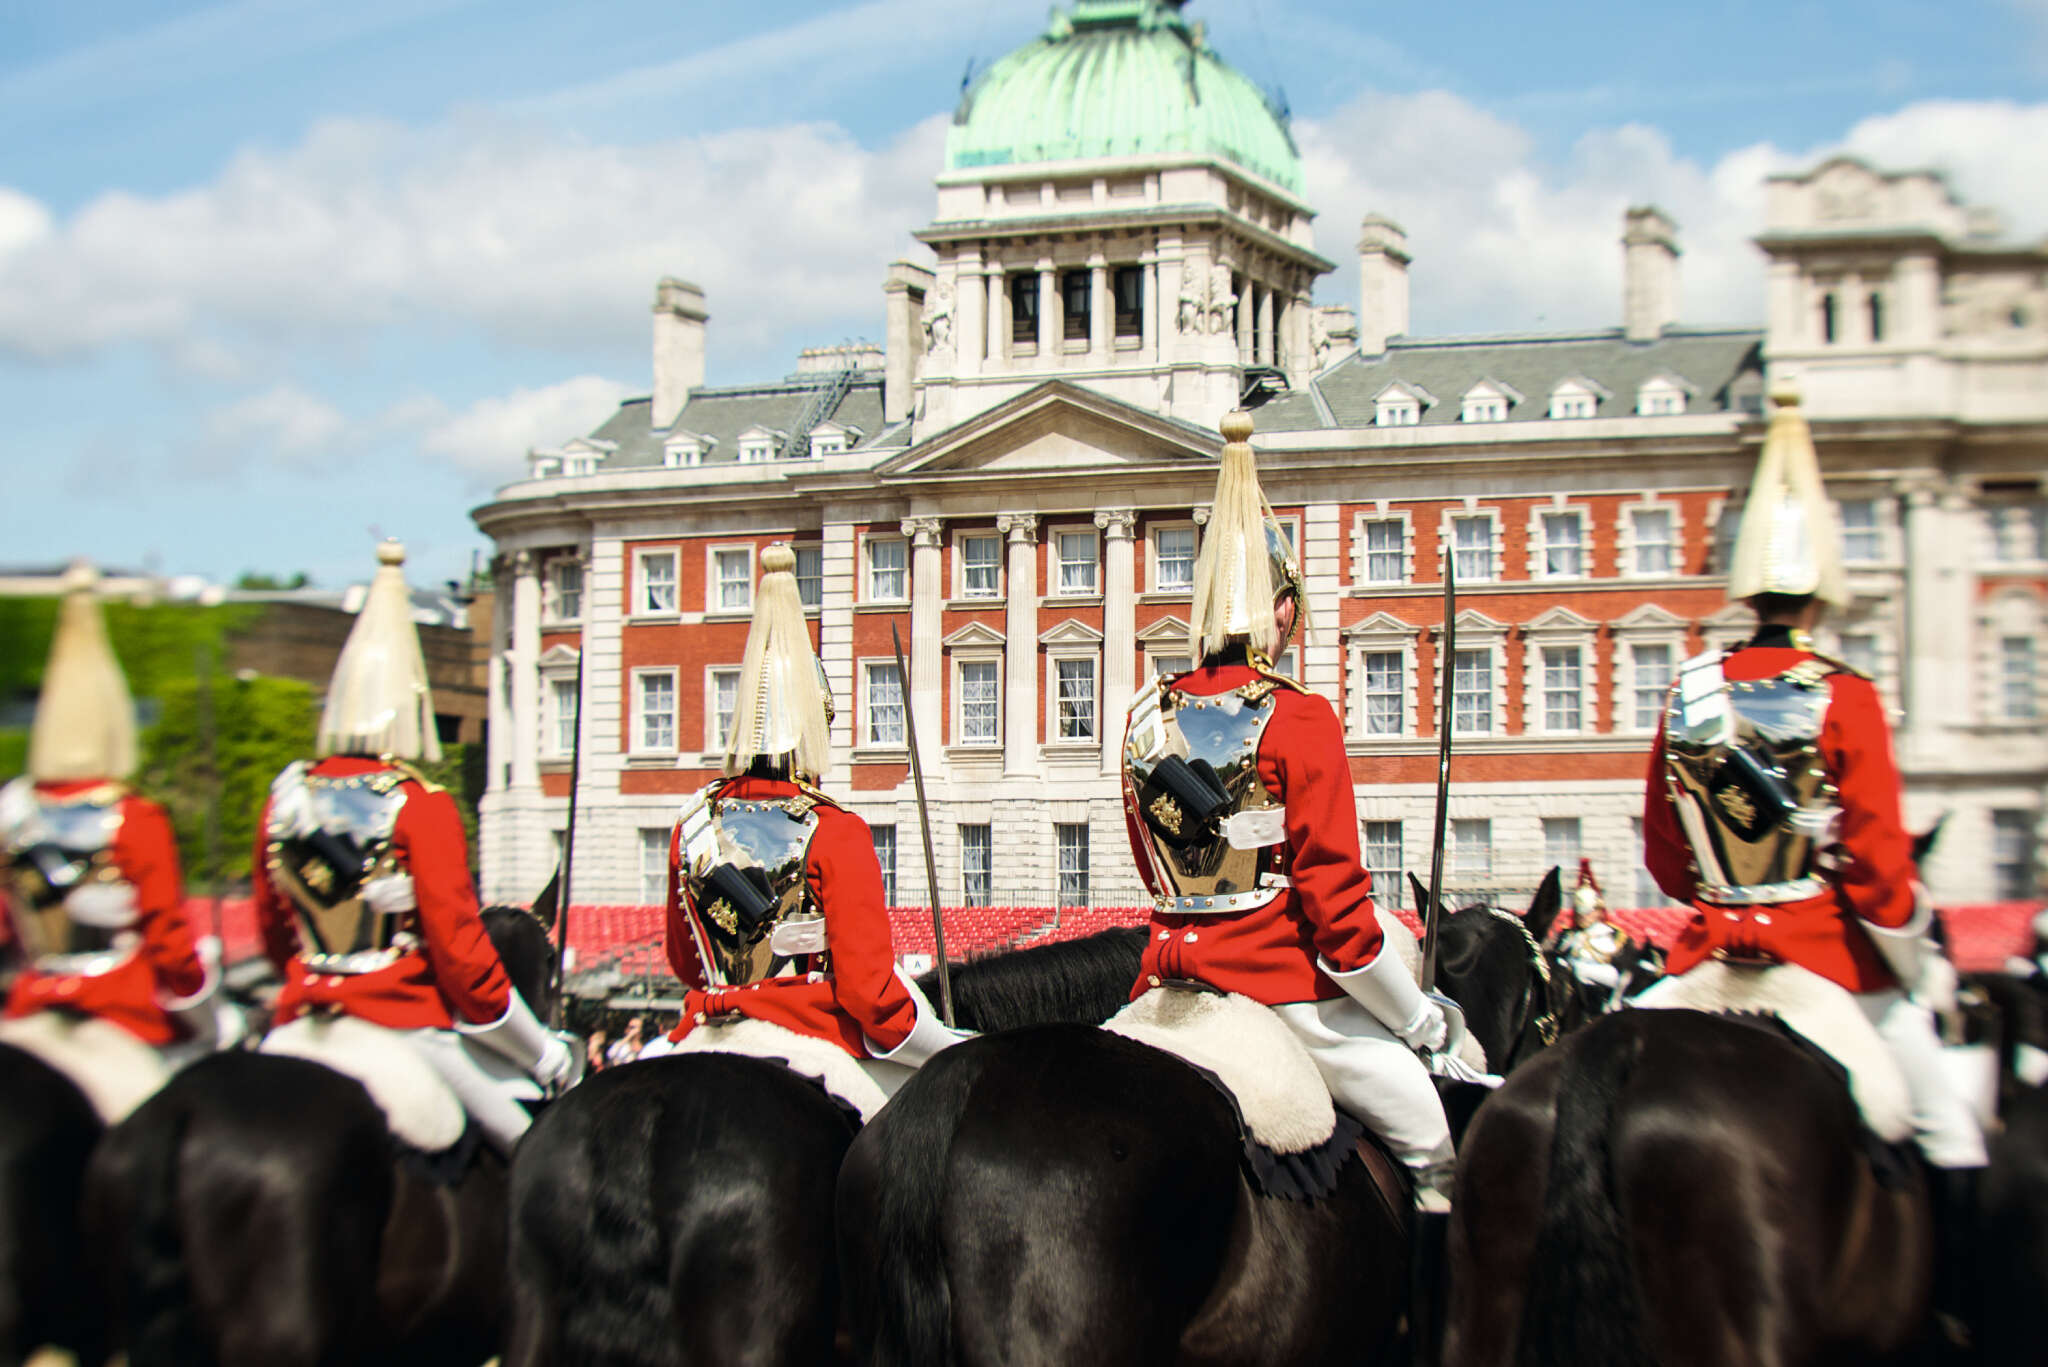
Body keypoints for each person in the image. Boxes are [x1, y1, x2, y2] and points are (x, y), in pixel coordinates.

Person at [1640, 384, 1983, 1321]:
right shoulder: (1846, 693)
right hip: (1826, 958)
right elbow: (1878, 873)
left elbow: (1669, 860)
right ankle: (1954, 1318)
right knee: (1950, 1125)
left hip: (1703, 958)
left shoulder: (1689, 690)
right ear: (1821, 587)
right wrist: (1913, 964)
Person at [1120, 408, 1457, 1213]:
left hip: (1160, 989)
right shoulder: (1299, 717)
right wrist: (1420, 1019)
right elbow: (1340, 925)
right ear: (1282, 609)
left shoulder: (1142, 719)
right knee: (1431, 1138)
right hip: (1282, 993)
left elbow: (1158, 870)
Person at [251, 540, 575, 1153]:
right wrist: (539, 1048)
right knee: (527, 1150)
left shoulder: (285, 797)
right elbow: (459, 951)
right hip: (398, 1019)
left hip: (298, 1021)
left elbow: (272, 931)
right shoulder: (418, 803)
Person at [663, 543, 966, 1086]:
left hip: (703, 1028)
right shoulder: (833, 831)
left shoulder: (693, 824)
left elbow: (688, 966)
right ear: (814, 726)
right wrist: (941, 1042)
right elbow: (868, 994)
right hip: (813, 1034)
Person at [0, 563, 228, 1081]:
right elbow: (166, 932)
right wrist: (196, 999)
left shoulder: (11, 811)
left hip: (29, 1005)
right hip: (118, 1007)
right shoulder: (134, 817)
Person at [1552, 859, 1635, 1010]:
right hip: (1571, 984)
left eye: (1587, 912)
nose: (1583, 917)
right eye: (1580, 913)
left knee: (1578, 969)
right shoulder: (1567, 935)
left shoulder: (1612, 934)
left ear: (1597, 912)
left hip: (1602, 980)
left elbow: (1620, 969)